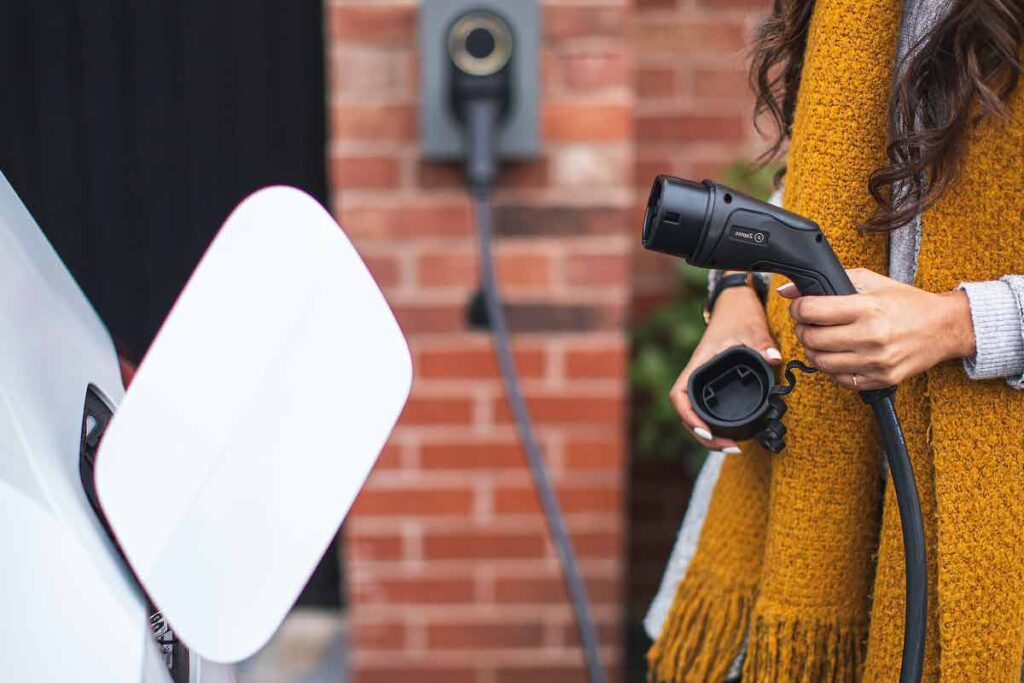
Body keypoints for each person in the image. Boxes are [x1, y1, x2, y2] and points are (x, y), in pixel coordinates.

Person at [644, 0, 1024, 681]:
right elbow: (817, 187)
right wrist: (736, 295)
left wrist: (957, 323)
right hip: (814, 505)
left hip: (989, 545)